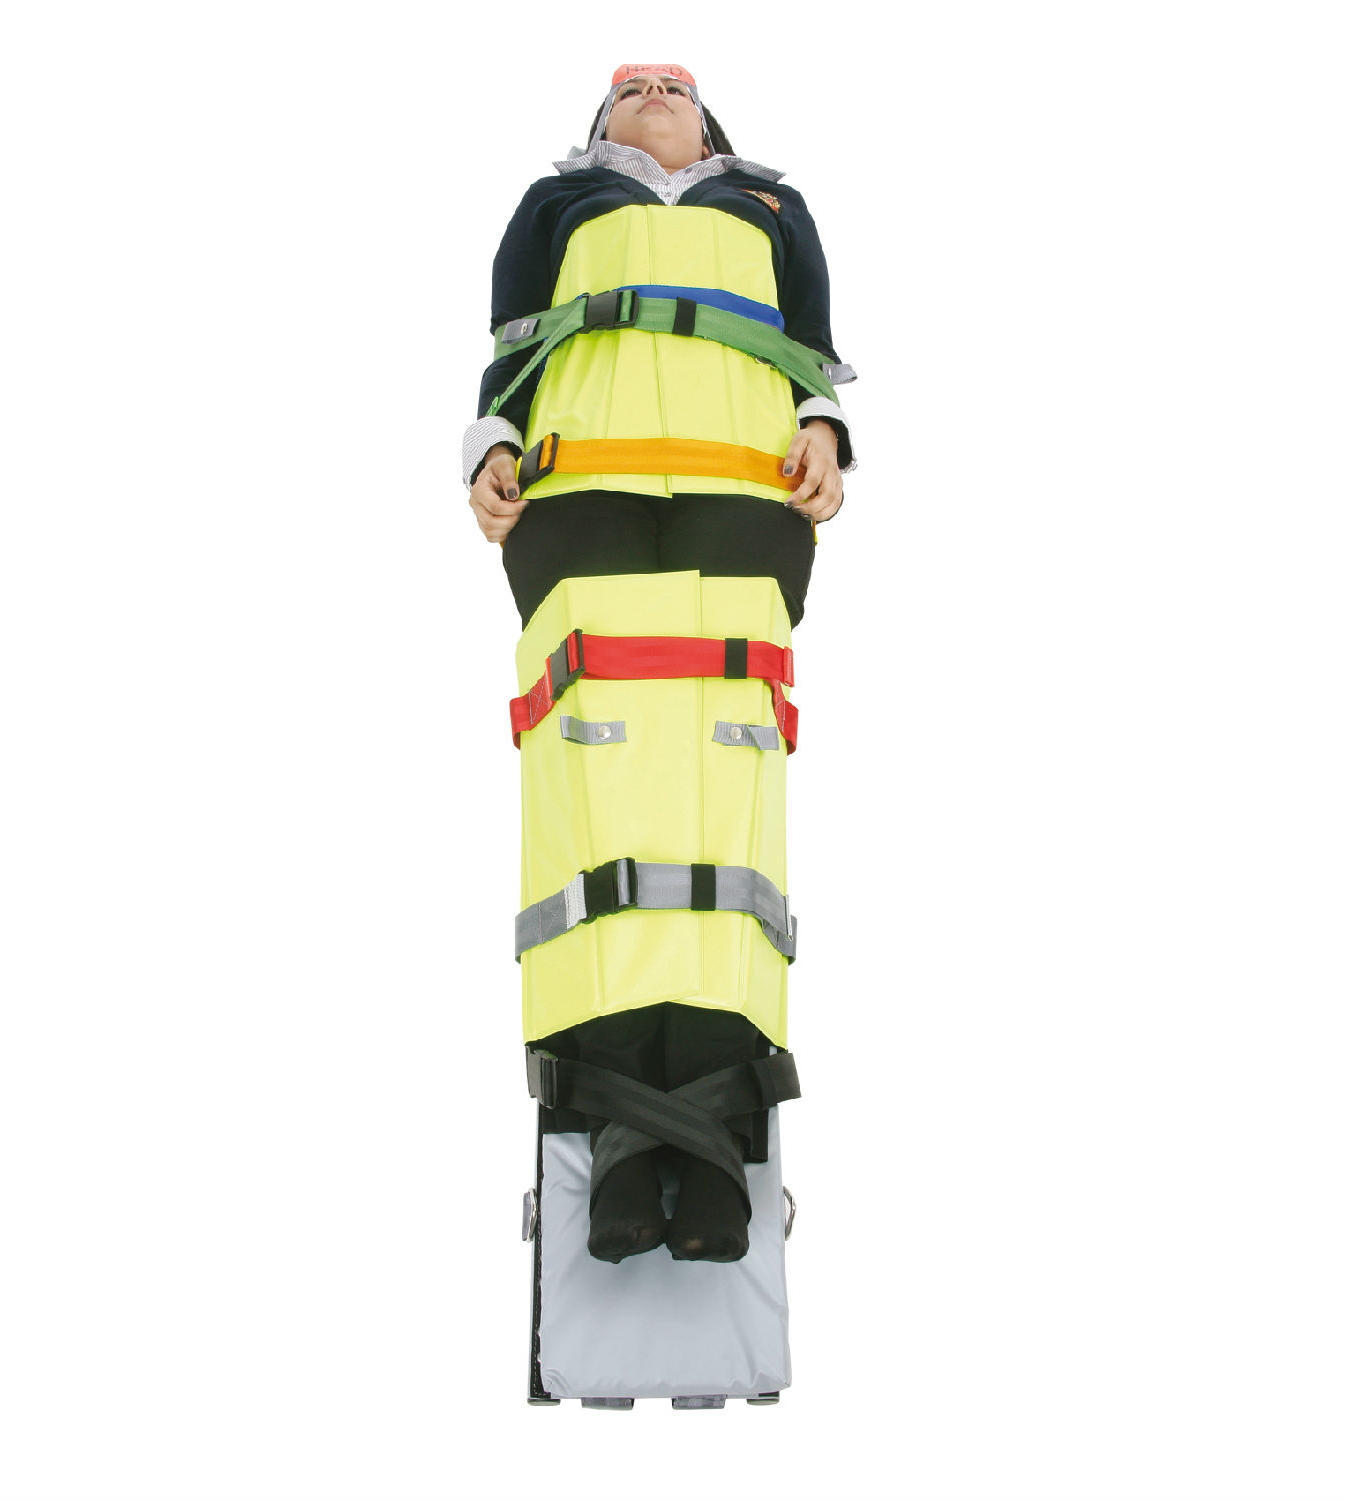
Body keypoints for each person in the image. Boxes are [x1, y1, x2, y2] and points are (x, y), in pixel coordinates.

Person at [465, 64, 855, 1264]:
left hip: (742, 494)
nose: (651, 90)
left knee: (723, 788)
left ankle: (717, 1124)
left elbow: (812, 351)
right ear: (600, 127)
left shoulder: (774, 208)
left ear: (708, 122)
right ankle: (621, 1125)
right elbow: (512, 347)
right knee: (600, 788)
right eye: (629, 87)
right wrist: (489, 445)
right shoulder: (555, 204)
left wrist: (829, 432)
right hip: (581, 495)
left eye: (672, 84)